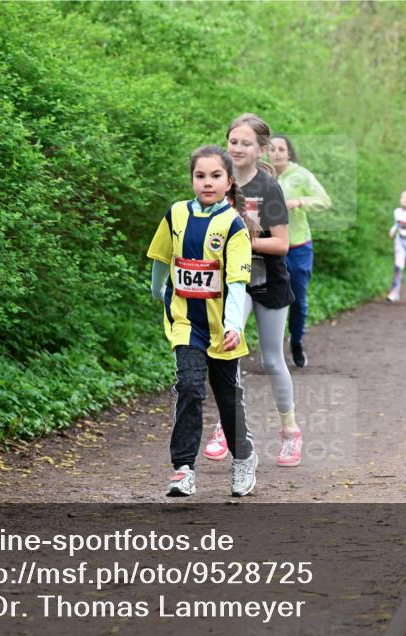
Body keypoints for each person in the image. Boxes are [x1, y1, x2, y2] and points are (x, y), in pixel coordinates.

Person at [146, 145, 257, 497]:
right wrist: (156, 287)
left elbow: (237, 282)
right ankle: (183, 469)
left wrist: (234, 324)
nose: (207, 183)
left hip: (222, 327)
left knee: (227, 398)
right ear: (192, 178)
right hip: (185, 322)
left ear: (228, 182)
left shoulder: (234, 225)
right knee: (190, 389)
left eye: (215, 176)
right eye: (200, 176)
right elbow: (161, 256)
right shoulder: (176, 214)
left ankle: (243, 458)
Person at [203, 113, 304, 468]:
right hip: (235, 282)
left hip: (270, 281)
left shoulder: (269, 188)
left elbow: (282, 244)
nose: (238, 148)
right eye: (233, 141)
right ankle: (224, 428)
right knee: (227, 351)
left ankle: (290, 432)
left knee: (272, 360)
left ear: (261, 149)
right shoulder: (219, 182)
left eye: (246, 143)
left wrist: (245, 240)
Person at [270, 133, 332, 366]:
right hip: (270, 247)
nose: (276, 153)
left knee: (297, 299)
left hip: (298, 246)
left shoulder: (300, 174)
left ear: (288, 153)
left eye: (281, 149)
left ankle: (296, 341)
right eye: (272, 149)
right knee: (269, 299)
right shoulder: (261, 174)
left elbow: (324, 200)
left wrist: (299, 202)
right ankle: (273, 349)